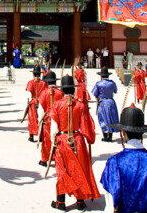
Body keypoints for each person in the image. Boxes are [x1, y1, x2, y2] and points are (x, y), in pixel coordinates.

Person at [49, 75, 100, 211]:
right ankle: (80, 202)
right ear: (73, 88)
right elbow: (86, 127)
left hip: (62, 140)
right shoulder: (80, 105)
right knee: (79, 169)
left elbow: (53, 128)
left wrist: (53, 141)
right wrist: (89, 138)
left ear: (63, 90)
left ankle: (60, 202)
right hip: (77, 140)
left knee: (62, 171)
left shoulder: (57, 104)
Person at [37, 71, 61, 167]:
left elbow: (41, 109)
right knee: (57, 139)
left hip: (47, 119)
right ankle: (57, 158)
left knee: (46, 140)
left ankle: (45, 159)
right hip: (57, 119)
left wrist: (39, 120)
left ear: (46, 82)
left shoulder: (44, 93)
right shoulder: (60, 93)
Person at [92, 67, 119, 142]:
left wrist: (97, 100)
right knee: (111, 118)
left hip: (102, 102)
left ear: (101, 76)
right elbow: (115, 91)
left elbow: (95, 94)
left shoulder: (98, 84)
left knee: (102, 118)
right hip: (111, 101)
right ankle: (110, 136)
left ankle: (105, 136)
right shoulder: (112, 83)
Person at [25, 65, 46, 142]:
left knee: (31, 118)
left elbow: (28, 94)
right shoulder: (43, 83)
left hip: (33, 102)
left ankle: (31, 135)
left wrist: (29, 101)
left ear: (33, 73)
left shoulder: (30, 83)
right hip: (41, 102)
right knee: (41, 119)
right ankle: (40, 135)